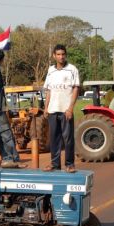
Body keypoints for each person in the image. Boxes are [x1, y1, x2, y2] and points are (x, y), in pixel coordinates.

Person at [43, 44, 80, 172]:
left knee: (68, 138)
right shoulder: (50, 70)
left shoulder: (72, 69)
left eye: (63, 54)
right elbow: (48, 90)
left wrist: (70, 108)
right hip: (53, 109)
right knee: (54, 138)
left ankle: (69, 164)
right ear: (54, 56)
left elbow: (76, 89)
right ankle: (55, 164)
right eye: (58, 54)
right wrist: (46, 108)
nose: (61, 57)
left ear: (66, 55)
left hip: (66, 110)